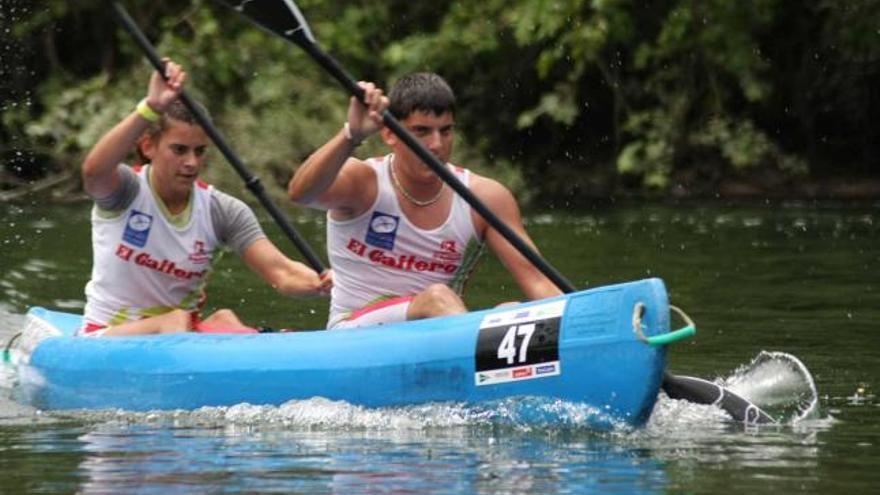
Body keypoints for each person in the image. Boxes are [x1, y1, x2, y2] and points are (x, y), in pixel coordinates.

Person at [287, 73, 561, 329]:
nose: (436, 145)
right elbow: (301, 194)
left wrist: (578, 323)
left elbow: (539, 282)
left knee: (511, 311)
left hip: (439, 329)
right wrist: (351, 136)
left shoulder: (485, 198)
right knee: (437, 298)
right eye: (421, 131)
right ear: (389, 134)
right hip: (354, 333)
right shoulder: (363, 182)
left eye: (445, 131)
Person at [79, 59, 331, 336]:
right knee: (174, 320)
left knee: (226, 321)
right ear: (148, 146)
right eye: (179, 150)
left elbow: (282, 272)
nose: (191, 162)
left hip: (181, 334)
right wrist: (150, 108)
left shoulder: (221, 211)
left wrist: (324, 283)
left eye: (199, 151)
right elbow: (93, 171)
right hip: (105, 335)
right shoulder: (126, 191)